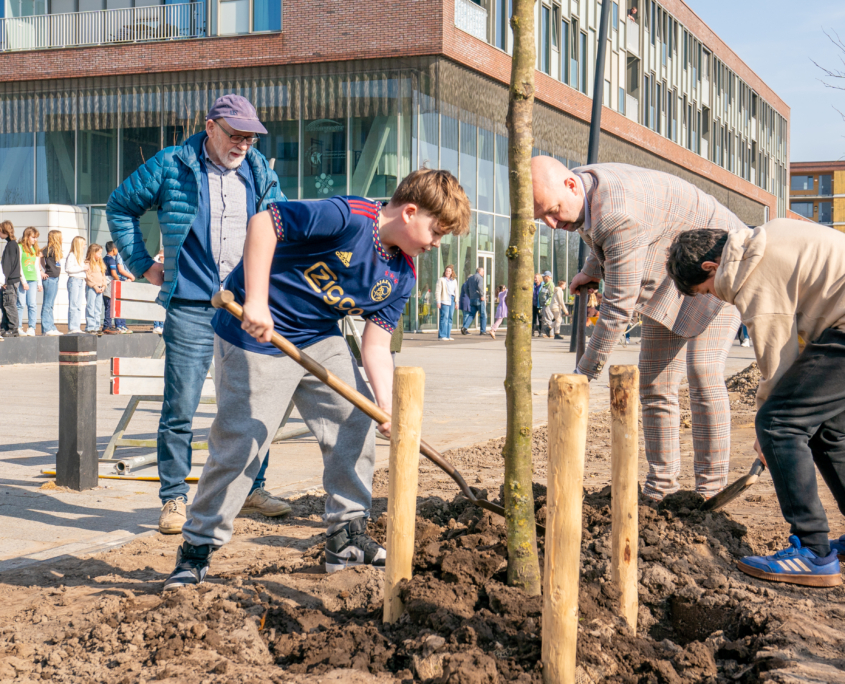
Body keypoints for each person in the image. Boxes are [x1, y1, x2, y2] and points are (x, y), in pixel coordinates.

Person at [162, 168, 471, 589]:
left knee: (354, 420)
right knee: (244, 442)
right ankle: (196, 549)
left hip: (318, 338)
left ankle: (346, 537)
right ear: (410, 212)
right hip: (255, 334)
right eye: (436, 232)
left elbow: (376, 346)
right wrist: (255, 301)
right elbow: (264, 224)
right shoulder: (347, 217)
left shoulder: (401, 275)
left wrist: (384, 406)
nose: (436, 244)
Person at [108, 94, 289, 534]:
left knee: (252, 401)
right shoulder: (173, 163)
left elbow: (282, 223)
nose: (243, 144)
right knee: (181, 407)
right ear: (210, 127)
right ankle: (173, 499)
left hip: (244, 304)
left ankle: (251, 490)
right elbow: (120, 206)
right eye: (235, 135)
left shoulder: (259, 170)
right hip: (190, 305)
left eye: (250, 137)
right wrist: (141, 264)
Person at [532, 156, 744, 501]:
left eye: (552, 211)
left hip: (718, 264)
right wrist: (592, 270)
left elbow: (618, 306)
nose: (551, 224)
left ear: (570, 185)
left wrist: (584, 374)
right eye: (542, 217)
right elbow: (594, 234)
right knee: (655, 381)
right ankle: (662, 488)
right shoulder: (585, 183)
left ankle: (711, 490)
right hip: (671, 273)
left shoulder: (619, 213)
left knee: (703, 371)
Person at [666, 220, 845, 587]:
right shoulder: (763, 237)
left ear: (711, 267)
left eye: (707, 290)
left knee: (780, 423)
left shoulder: (753, 274)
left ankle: (813, 552)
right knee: (830, 433)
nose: (715, 297)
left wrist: (768, 430)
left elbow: (777, 360)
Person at [103, 241, 134, 334]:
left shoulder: (105, 259)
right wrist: (121, 280)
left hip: (109, 283)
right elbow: (114, 273)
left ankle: (113, 325)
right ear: (114, 249)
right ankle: (112, 325)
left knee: (112, 305)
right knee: (112, 305)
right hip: (111, 284)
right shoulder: (111, 260)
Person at [17, 227, 43, 336]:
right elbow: (18, 265)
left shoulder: (35, 250)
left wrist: (39, 282)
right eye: (33, 237)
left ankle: (31, 327)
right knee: (21, 304)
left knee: (32, 304)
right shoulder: (19, 248)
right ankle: (18, 327)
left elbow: (36, 267)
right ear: (27, 237)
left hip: (33, 280)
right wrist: (23, 281)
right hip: (22, 280)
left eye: (36, 237)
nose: (35, 240)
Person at [40, 230, 63, 336]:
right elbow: (39, 256)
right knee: (47, 304)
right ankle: (46, 328)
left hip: (55, 278)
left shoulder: (56, 250)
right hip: (50, 279)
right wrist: (42, 270)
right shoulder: (48, 249)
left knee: (51, 305)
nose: (62, 239)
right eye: (60, 237)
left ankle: (51, 326)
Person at [0, 221, 21, 338]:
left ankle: (13, 329)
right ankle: (4, 328)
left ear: (4, 231)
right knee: (5, 304)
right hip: (12, 280)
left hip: (10, 281)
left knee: (9, 304)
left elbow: (7, 265)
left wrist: (4, 281)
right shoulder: (13, 244)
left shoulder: (10, 245)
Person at [65, 237, 88, 334]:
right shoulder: (71, 255)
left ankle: (77, 326)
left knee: (78, 305)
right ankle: (73, 327)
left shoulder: (80, 257)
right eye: (83, 244)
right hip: (74, 280)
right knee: (73, 304)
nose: (84, 246)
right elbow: (68, 269)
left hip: (80, 281)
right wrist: (82, 268)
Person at [84, 244, 107, 334]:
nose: (100, 255)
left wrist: (103, 286)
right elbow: (87, 277)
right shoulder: (87, 263)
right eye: (99, 253)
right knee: (91, 306)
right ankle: (90, 326)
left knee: (98, 308)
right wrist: (94, 286)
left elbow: (103, 276)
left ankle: (97, 326)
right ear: (92, 253)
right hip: (92, 288)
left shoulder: (100, 264)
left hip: (100, 288)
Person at [461, 267, 487, 335]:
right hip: (479, 298)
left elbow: (466, 288)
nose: (484, 273)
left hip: (472, 299)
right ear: (479, 271)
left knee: (471, 314)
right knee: (483, 315)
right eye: (483, 271)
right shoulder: (480, 278)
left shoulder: (470, 278)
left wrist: (470, 295)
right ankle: (483, 330)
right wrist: (482, 295)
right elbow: (480, 286)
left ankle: (464, 327)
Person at [435, 264, 457, 341]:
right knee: (444, 317)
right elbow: (437, 291)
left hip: (452, 299)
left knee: (450, 318)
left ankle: (448, 335)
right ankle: (442, 335)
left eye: (449, 271)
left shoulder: (454, 280)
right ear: (445, 272)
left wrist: (456, 302)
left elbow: (456, 291)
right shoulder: (441, 279)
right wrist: (438, 301)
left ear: (451, 272)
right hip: (444, 299)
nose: (448, 272)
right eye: (447, 271)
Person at [538, 271, 554, 337]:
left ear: (548, 277)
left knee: (548, 319)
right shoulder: (545, 284)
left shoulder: (550, 284)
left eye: (544, 277)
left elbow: (551, 294)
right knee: (546, 318)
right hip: (544, 304)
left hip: (547, 304)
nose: (543, 278)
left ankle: (551, 333)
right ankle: (549, 333)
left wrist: (547, 303)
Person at [152, 249, 165, 334]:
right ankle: (156, 326)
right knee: (157, 307)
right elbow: (153, 263)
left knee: (163, 308)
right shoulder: (158, 265)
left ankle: (162, 326)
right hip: (157, 288)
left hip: (163, 288)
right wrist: (157, 257)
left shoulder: (166, 265)